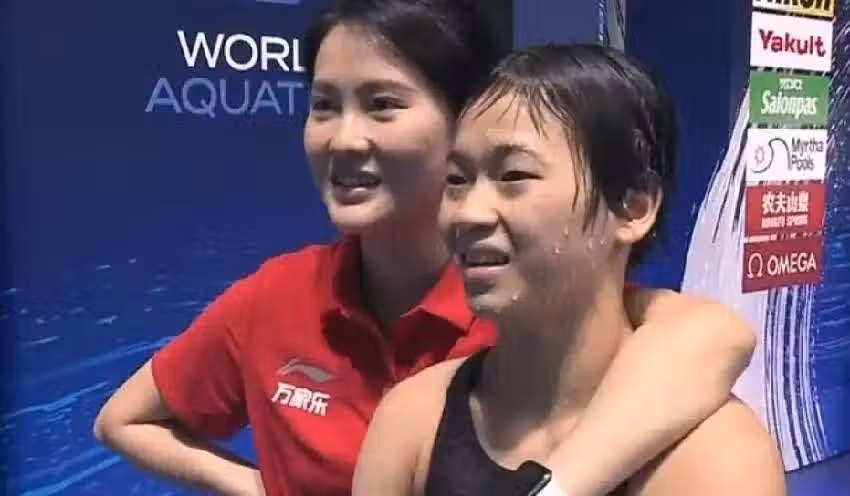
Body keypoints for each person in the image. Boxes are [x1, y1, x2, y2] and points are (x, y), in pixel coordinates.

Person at [93, 1, 757, 495]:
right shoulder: (286, 306)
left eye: (383, 104)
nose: (344, 139)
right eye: (323, 105)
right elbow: (123, 420)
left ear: (467, 116)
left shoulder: (542, 303)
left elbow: (714, 338)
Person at [352, 43, 786, 496]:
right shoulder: (411, 421)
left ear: (634, 208)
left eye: (514, 175)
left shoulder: (716, 458)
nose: (468, 213)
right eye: (457, 181)